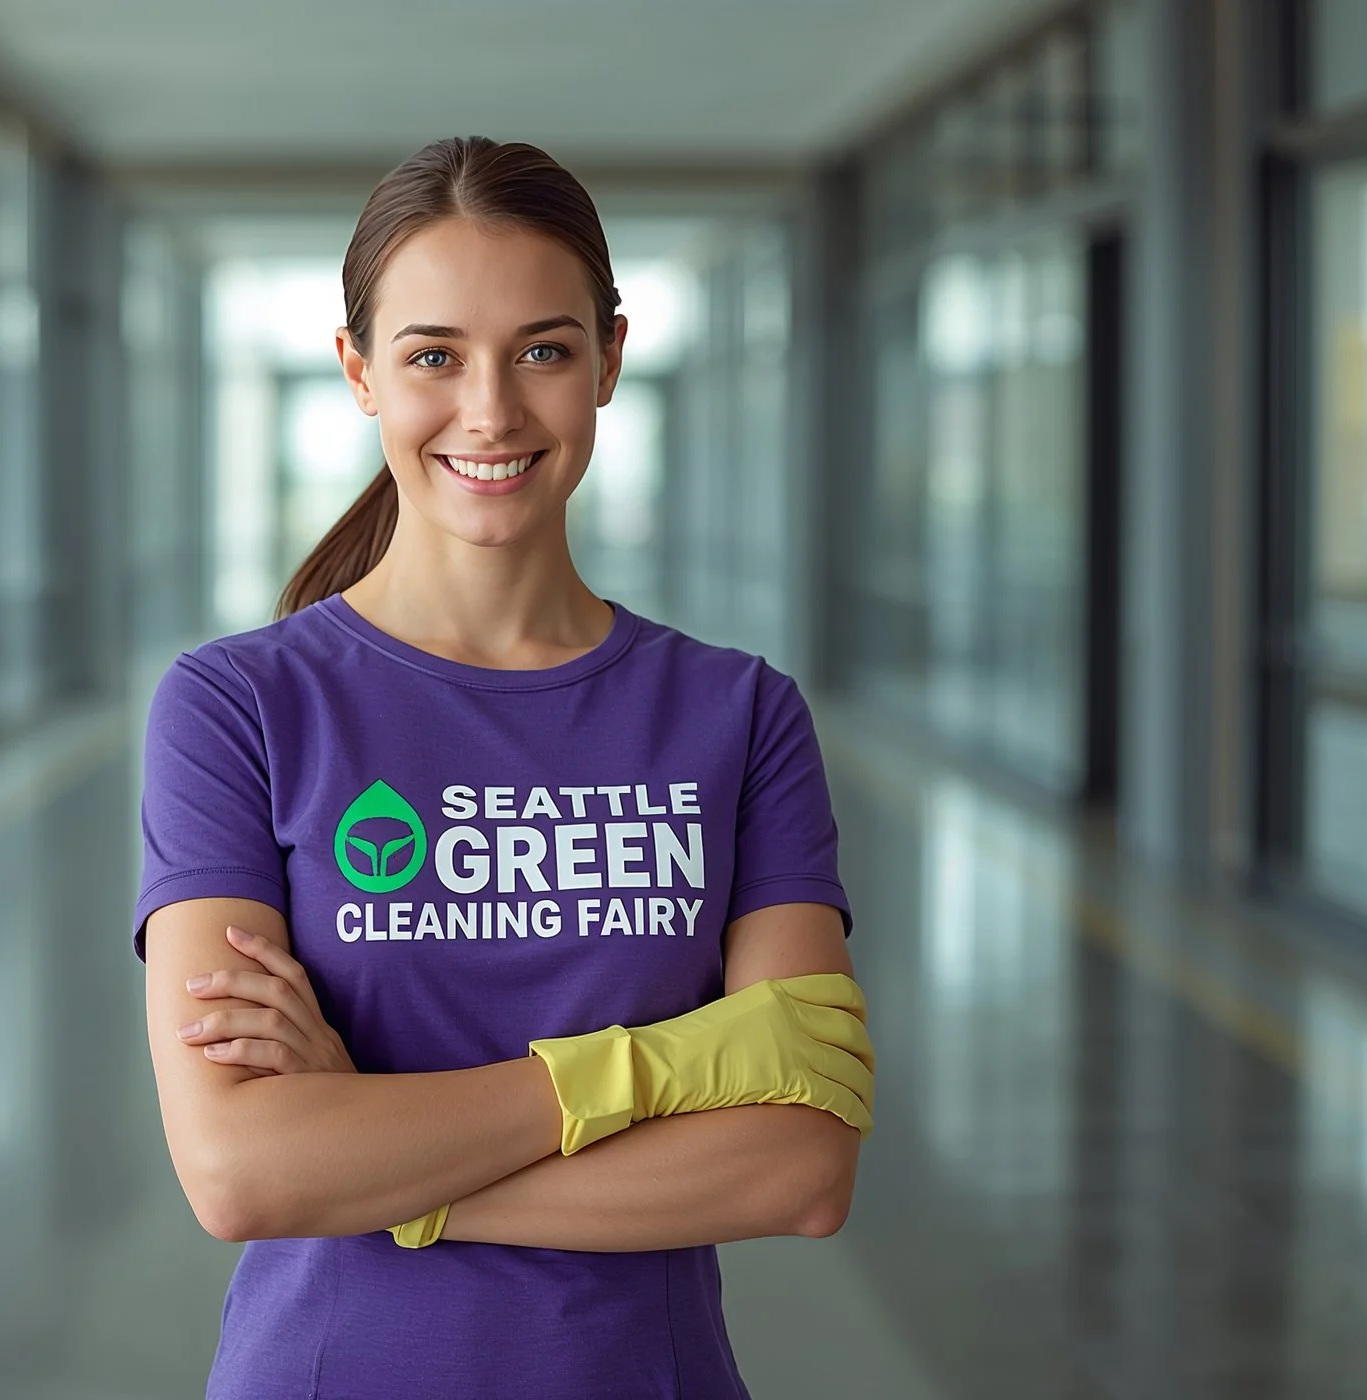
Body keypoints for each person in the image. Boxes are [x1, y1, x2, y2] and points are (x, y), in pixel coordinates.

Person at [135, 135, 875, 1400]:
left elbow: (796, 1167)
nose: (489, 410)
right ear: (359, 371)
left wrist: (382, 1164)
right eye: (434, 355)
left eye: (542, 350)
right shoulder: (240, 708)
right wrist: (657, 1072)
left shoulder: (736, 715)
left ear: (609, 360)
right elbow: (243, 1172)